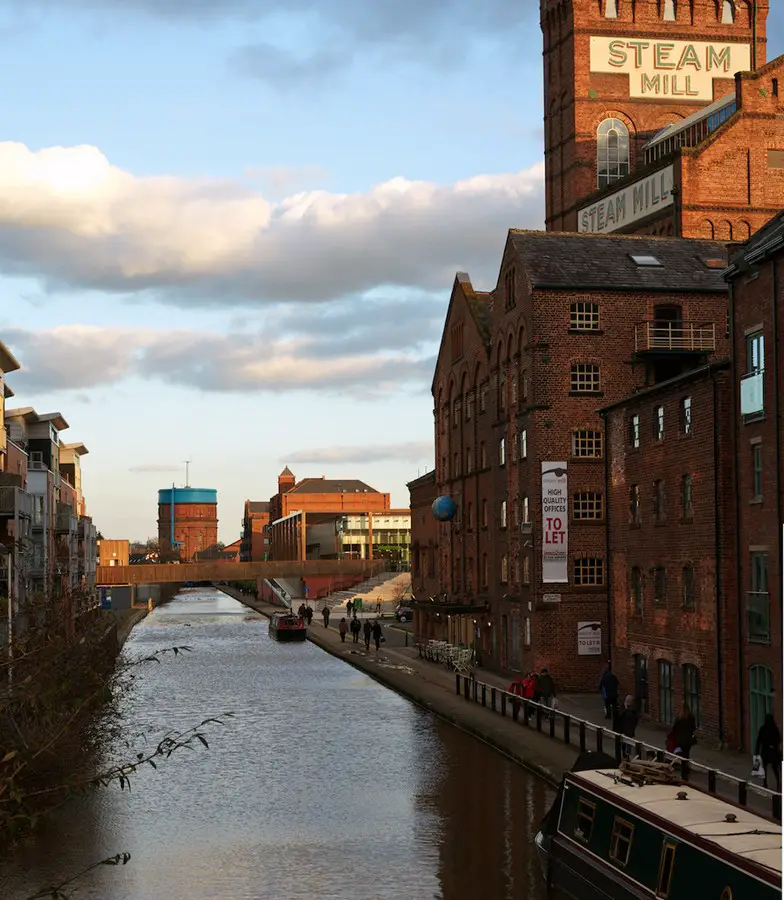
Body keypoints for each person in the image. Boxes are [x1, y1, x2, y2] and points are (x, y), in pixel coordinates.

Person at [755, 713, 782, 792]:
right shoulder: (775, 728)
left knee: (764, 767)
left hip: (765, 751)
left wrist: (757, 751)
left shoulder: (763, 728)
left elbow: (759, 740)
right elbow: (778, 739)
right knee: (775, 768)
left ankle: (765, 782)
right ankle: (778, 783)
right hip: (774, 751)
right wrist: (774, 745)